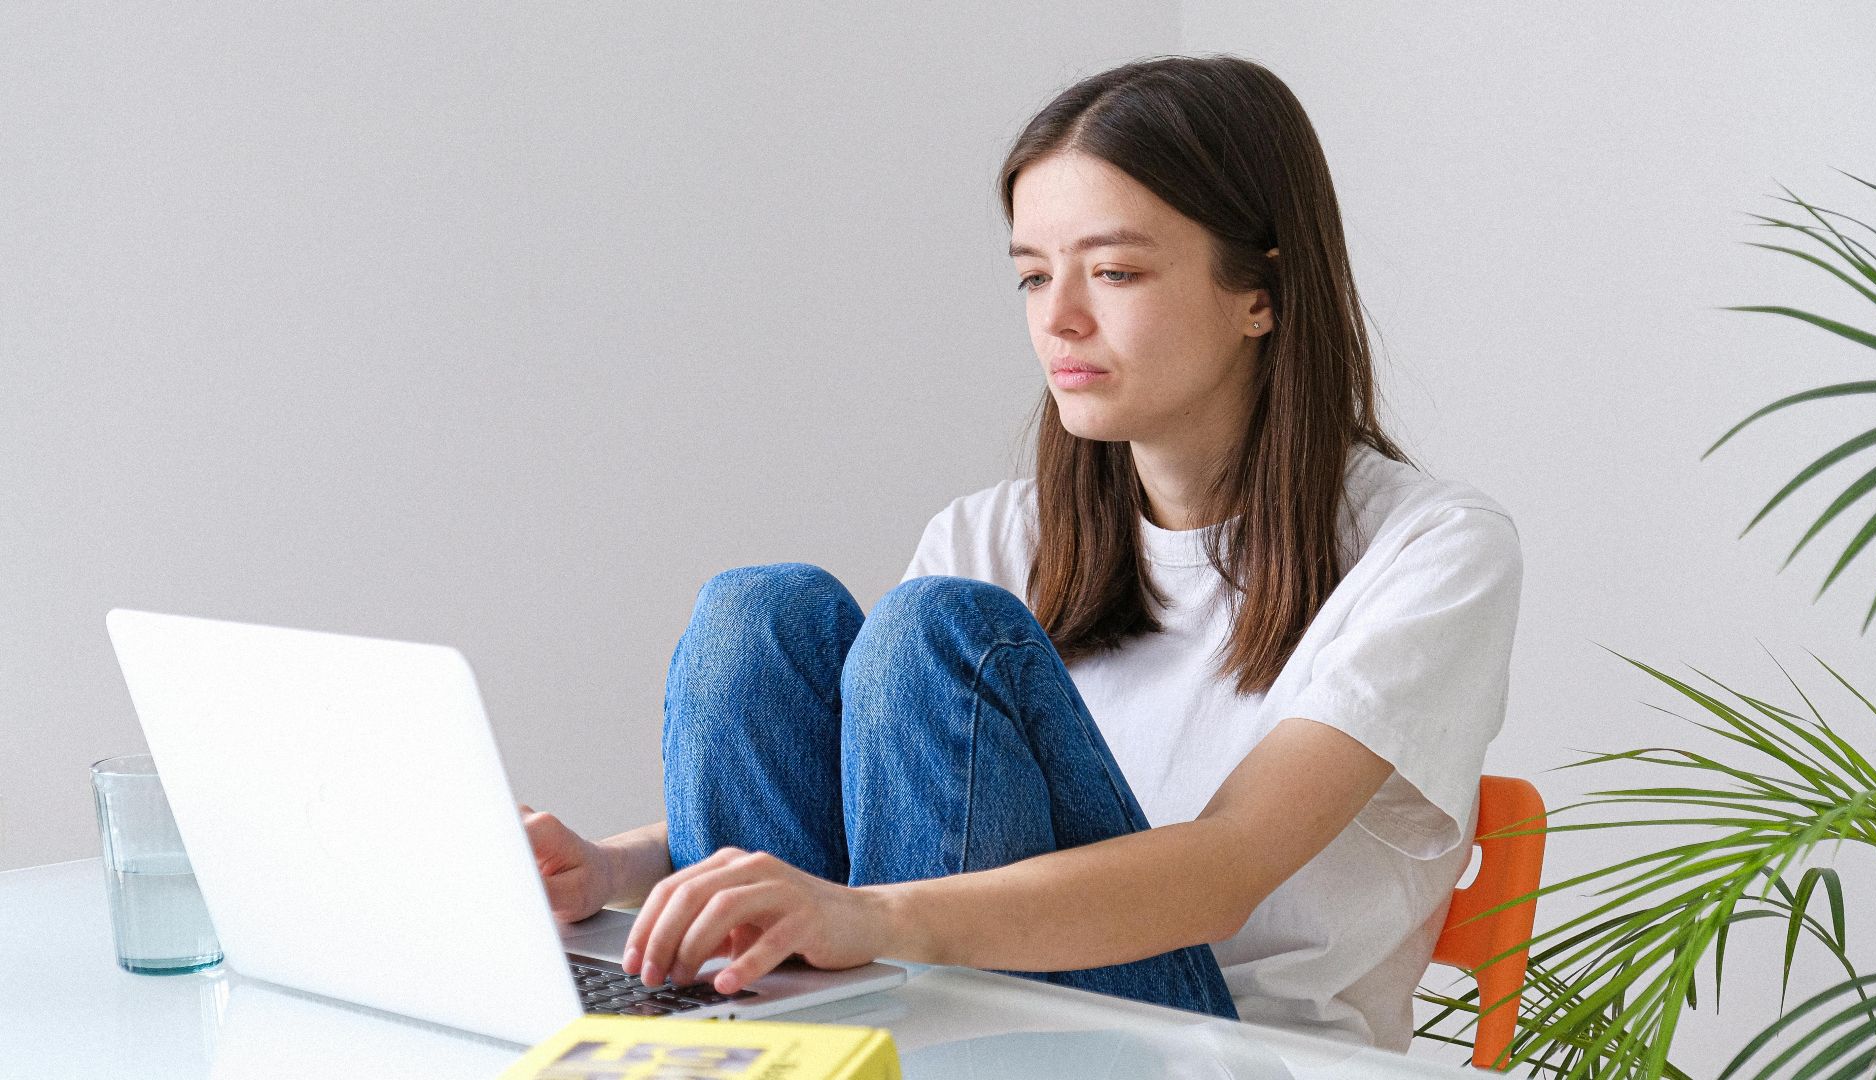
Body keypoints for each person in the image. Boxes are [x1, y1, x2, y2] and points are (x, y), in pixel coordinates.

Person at [519, 53, 1523, 1052]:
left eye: (1116, 271)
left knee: (934, 631)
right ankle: (755, 1040)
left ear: (1259, 291)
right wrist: (613, 871)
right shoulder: (997, 533)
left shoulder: (1432, 551)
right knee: (757, 614)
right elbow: (845, 829)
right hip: (950, 1014)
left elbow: (1226, 869)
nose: (1060, 318)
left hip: (1227, 1051)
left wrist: (872, 920)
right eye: (1034, 275)